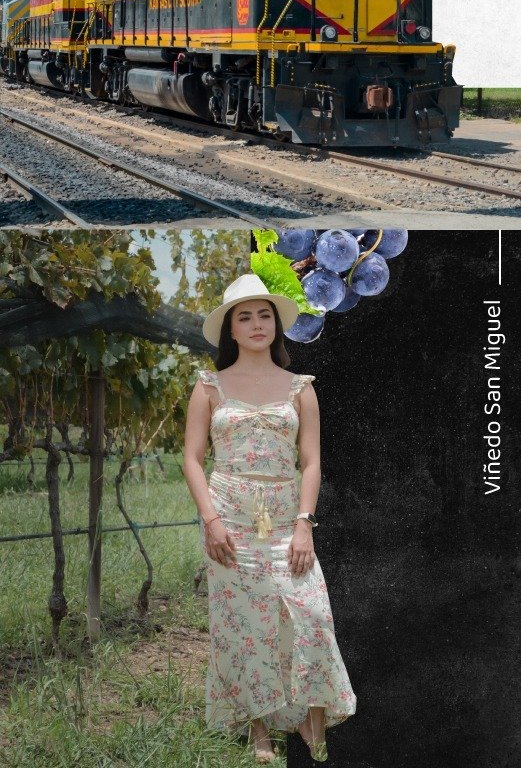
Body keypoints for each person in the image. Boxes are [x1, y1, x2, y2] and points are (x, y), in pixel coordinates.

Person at [182, 274, 356, 763]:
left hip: (285, 516)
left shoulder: (301, 387)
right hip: (228, 514)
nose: (256, 324)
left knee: (311, 613)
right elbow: (192, 458)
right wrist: (211, 520)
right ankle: (258, 726)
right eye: (245, 317)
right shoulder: (209, 386)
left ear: (276, 326)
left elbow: (312, 462)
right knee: (242, 622)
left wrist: (305, 523)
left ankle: (309, 714)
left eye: (264, 315)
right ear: (230, 330)